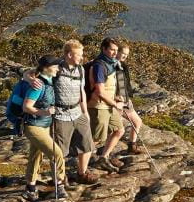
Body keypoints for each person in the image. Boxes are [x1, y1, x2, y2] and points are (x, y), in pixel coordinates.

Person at [25, 40, 99, 185]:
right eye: (79, 55)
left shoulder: (80, 70)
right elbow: (29, 72)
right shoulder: (56, 68)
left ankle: (82, 173)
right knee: (60, 150)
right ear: (70, 54)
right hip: (60, 114)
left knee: (87, 144)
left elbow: (81, 91)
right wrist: (29, 79)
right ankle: (60, 178)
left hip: (78, 111)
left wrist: (85, 112)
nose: (82, 58)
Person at [20, 55, 69, 200]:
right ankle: (59, 185)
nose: (57, 69)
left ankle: (30, 188)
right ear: (46, 68)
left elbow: (28, 72)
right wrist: (45, 112)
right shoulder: (38, 85)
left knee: (36, 155)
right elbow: (26, 107)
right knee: (57, 154)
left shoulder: (49, 80)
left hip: (44, 125)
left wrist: (27, 75)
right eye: (55, 66)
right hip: (34, 126)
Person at [87, 37, 125, 172]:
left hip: (109, 104)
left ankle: (103, 158)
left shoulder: (112, 64)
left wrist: (115, 97)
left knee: (119, 130)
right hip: (98, 106)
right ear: (103, 49)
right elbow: (100, 92)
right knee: (96, 138)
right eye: (112, 50)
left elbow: (108, 88)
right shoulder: (99, 66)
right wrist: (116, 104)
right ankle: (84, 165)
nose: (115, 53)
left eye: (116, 50)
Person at [115, 43, 144, 154]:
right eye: (123, 53)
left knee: (137, 122)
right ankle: (105, 154)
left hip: (125, 99)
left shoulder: (123, 65)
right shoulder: (111, 66)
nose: (125, 56)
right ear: (117, 52)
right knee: (115, 130)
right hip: (116, 101)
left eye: (126, 54)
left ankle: (132, 146)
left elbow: (124, 84)